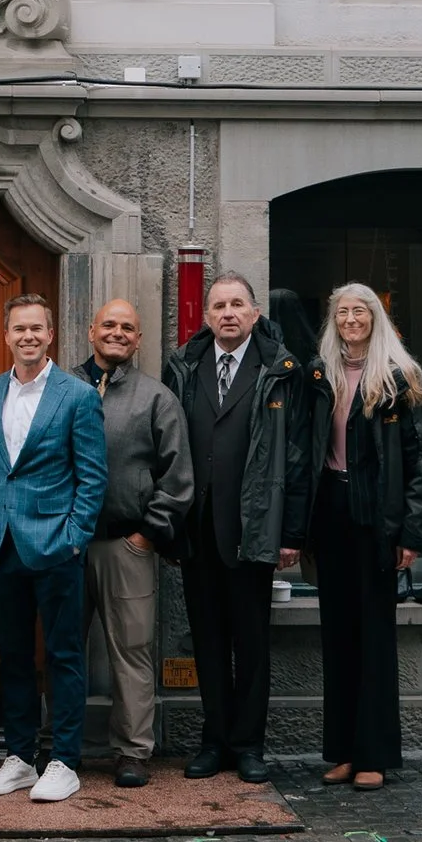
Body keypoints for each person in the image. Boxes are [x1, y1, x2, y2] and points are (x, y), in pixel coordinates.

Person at [162, 272, 307, 785]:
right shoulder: (183, 365)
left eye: (237, 305)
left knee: (250, 645)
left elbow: (296, 457)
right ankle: (214, 741)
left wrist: (291, 532)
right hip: (198, 532)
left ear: (253, 314)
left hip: (253, 532)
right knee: (206, 643)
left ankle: (249, 746)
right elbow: (168, 451)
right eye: (219, 305)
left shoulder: (280, 370)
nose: (228, 313)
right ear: (207, 315)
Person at [290, 281, 422, 792]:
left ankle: (375, 754)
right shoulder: (319, 376)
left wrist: (411, 533)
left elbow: (419, 463)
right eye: (343, 312)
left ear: (375, 318)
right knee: (338, 635)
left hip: (377, 518)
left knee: (374, 636)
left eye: (360, 311)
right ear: (333, 321)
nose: (351, 319)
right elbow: (303, 453)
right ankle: (344, 752)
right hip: (330, 511)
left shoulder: (399, 379)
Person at [0, 295, 106, 805]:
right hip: (0, 545)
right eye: (18, 329)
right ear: (6, 335)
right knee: (12, 657)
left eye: (36, 328)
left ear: (51, 334)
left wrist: (73, 538)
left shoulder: (76, 395)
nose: (27, 336)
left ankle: (65, 761)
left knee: (64, 654)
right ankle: (20, 757)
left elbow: (92, 477)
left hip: (56, 546)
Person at [76, 298, 192, 788]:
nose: (118, 332)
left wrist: (147, 534)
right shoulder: (62, 388)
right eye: (109, 324)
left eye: (128, 326)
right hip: (68, 544)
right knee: (63, 649)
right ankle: (61, 746)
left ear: (139, 339)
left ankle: (133, 751)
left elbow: (178, 476)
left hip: (127, 544)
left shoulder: (156, 398)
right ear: (90, 331)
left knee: (132, 653)